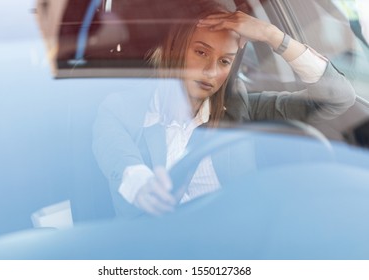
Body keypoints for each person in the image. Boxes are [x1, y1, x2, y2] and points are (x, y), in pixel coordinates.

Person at [92, 0, 356, 218]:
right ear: (175, 50)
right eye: (201, 53)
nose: (211, 72)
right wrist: (144, 187)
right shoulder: (120, 110)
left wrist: (272, 36)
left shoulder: (243, 108)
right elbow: (121, 160)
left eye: (224, 61)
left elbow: (337, 98)